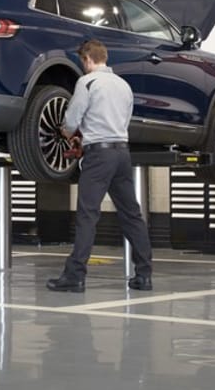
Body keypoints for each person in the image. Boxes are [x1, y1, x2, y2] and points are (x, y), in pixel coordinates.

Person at [47, 39, 155, 293]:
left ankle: (74, 277)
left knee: (87, 215)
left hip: (98, 158)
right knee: (132, 215)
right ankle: (144, 275)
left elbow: (72, 120)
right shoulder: (124, 86)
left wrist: (66, 132)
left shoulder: (87, 82)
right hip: (121, 153)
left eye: (82, 62)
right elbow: (123, 121)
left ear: (87, 59)